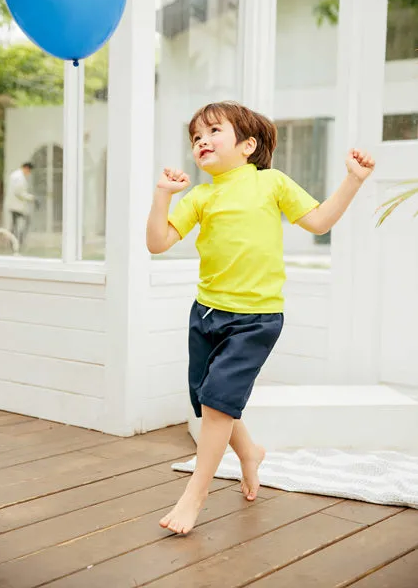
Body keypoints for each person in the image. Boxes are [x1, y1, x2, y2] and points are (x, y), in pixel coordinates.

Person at [146, 101, 375, 535]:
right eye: (196, 137)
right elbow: (157, 242)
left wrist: (353, 180)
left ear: (248, 145)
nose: (202, 141)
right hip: (207, 314)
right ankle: (250, 452)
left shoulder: (271, 183)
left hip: (256, 318)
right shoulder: (199, 195)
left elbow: (320, 221)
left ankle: (195, 494)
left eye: (214, 131)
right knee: (207, 396)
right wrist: (162, 195)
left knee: (217, 402)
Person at [5, 162, 36, 249]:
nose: (29, 173)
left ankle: (14, 242)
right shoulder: (18, 177)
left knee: (15, 224)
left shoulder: (16, 175)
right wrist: (32, 198)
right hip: (15, 206)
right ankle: (18, 240)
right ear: (26, 168)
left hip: (14, 205)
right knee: (26, 220)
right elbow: (19, 192)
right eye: (29, 171)